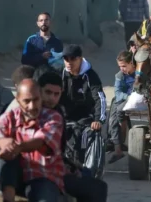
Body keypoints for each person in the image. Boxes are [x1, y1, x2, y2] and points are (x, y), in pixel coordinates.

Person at [36, 72, 108, 202]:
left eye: (56, 94)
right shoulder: (34, 111)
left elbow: (58, 152)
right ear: (39, 90)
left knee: (98, 186)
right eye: (48, 92)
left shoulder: (57, 112)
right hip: (39, 173)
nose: (51, 98)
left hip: (57, 170)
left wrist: (75, 168)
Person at [0, 79, 64, 202]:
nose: (32, 106)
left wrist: (17, 146)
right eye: (27, 101)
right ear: (18, 100)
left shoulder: (53, 117)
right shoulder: (6, 118)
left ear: (40, 98)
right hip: (12, 178)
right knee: (6, 151)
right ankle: (8, 197)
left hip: (42, 176)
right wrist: (1, 143)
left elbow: (41, 141)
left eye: (35, 100)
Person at [59, 45, 108, 176]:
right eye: (66, 59)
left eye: (73, 59)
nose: (69, 62)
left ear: (80, 59)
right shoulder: (60, 75)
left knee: (81, 136)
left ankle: (82, 169)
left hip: (85, 117)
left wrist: (98, 120)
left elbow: (100, 99)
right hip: (64, 116)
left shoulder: (91, 76)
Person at [106, 50, 136, 164]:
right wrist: (128, 97)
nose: (121, 69)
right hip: (123, 99)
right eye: (120, 66)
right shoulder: (119, 75)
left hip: (139, 99)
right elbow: (118, 92)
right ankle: (117, 149)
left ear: (132, 63)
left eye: (124, 66)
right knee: (113, 118)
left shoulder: (140, 72)